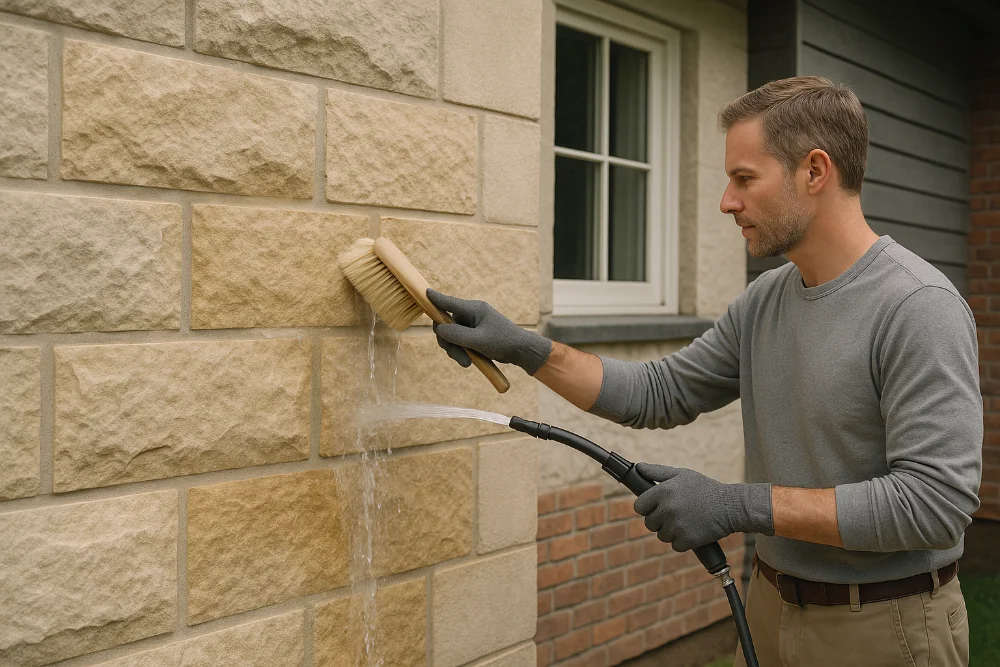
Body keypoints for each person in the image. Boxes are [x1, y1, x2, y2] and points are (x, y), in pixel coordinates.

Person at [426, 76, 982, 667]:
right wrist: (525, 348)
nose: (726, 201)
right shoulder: (766, 299)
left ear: (814, 171)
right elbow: (658, 392)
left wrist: (740, 506)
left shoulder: (916, 307)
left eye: (744, 178)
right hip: (770, 605)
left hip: (885, 625)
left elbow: (935, 503)